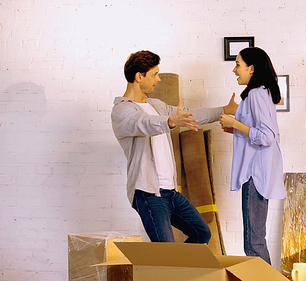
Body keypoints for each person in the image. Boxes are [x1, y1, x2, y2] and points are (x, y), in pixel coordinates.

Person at [111, 50, 238, 243]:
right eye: (154, 74)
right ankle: (171, 271)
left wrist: (224, 110)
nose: (159, 79)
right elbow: (145, 123)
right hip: (149, 194)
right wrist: (171, 121)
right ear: (139, 76)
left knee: (201, 233)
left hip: (170, 193)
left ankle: (179, 271)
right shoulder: (122, 111)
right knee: (167, 252)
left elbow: (189, 114)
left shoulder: (156, 105)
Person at [219, 47, 286, 264]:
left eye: (238, 64)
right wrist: (236, 128)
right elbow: (258, 131)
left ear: (252, 68)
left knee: (253, 243)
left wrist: (234, 123)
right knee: (256, 240)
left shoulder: (256, 94)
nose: (234, 70)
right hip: (259, 174)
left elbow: (266, 136)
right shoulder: (260, 93)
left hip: (254, 175)